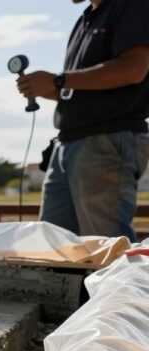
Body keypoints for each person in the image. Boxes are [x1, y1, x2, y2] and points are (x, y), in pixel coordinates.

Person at [17, 0, 149, 240]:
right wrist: (44, 87)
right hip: (68, 144)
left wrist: (58, 80)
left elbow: (134, 69)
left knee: (104, 246)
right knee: (56, 246)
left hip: (107, 139)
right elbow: (74, 88)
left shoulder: (131, 5)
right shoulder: (85, 19)